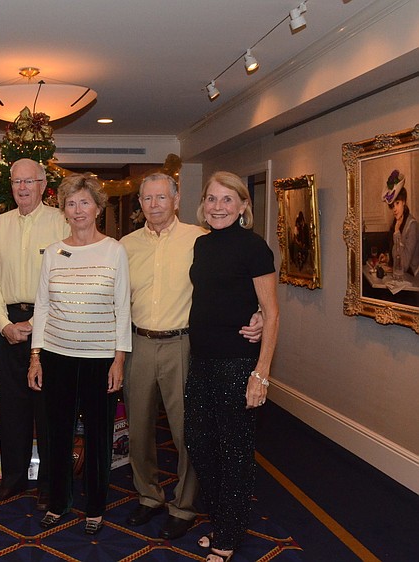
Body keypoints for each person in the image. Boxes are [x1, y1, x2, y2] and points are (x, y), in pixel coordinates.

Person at [120, 173, 262, 540]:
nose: (154, 205)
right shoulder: (126, 245)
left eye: (161, 197)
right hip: (138, 343)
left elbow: (234, 284)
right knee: (138, 430)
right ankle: (148, 496)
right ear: (139, 203)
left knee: (188, 432)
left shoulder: (200, 239)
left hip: (184, 344)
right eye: (147, 198)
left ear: (176, 200)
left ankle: (183, 506)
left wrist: (259, 314)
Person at [28, 173, 131, 535]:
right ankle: (58, 502)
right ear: (64, 210)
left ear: (98, 208)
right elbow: (41, 306)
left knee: (100, 437)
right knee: (57, 433)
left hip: (100, 359)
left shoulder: (115, 250)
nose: (78, 209)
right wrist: (36, 356)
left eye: (85, 202)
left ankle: (96, 508)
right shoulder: (54, 252)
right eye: (71, 203)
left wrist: (119, 359)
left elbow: (123, 309)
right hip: (56, 356)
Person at [185, 171, 279, 562]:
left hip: (238, 364)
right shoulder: (201, 245)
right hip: (201, 361)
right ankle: (224, 519)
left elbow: (272, 315)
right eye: (211, 199)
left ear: (243, 206)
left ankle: (227, 535)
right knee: (200, 444)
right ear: (203, 204)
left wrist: (261, 374)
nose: (218, 207)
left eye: (227, 200)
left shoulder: (255, 248)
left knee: (235, 452)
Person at [0, 158, 69, 510]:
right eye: (16, 181)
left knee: (48, 409)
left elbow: (64, 278)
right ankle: (14, 478)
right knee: (11, 409)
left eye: (28, 181)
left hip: (49, 327)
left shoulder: (60, 222)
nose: (21, 188)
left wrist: (35, 325)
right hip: (7, 328)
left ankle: (49, 484)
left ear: (43, 183)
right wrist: (3, 324)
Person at [382, 171, 418, 277]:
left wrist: (397, 233)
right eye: (392, 206)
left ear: (404, 202)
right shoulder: (396, 223)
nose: (394, 209)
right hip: (404, 278)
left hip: (414, 278)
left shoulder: (412, 225)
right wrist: (388, 258)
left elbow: (403, 265)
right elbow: (398, 255)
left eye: (397, 203)